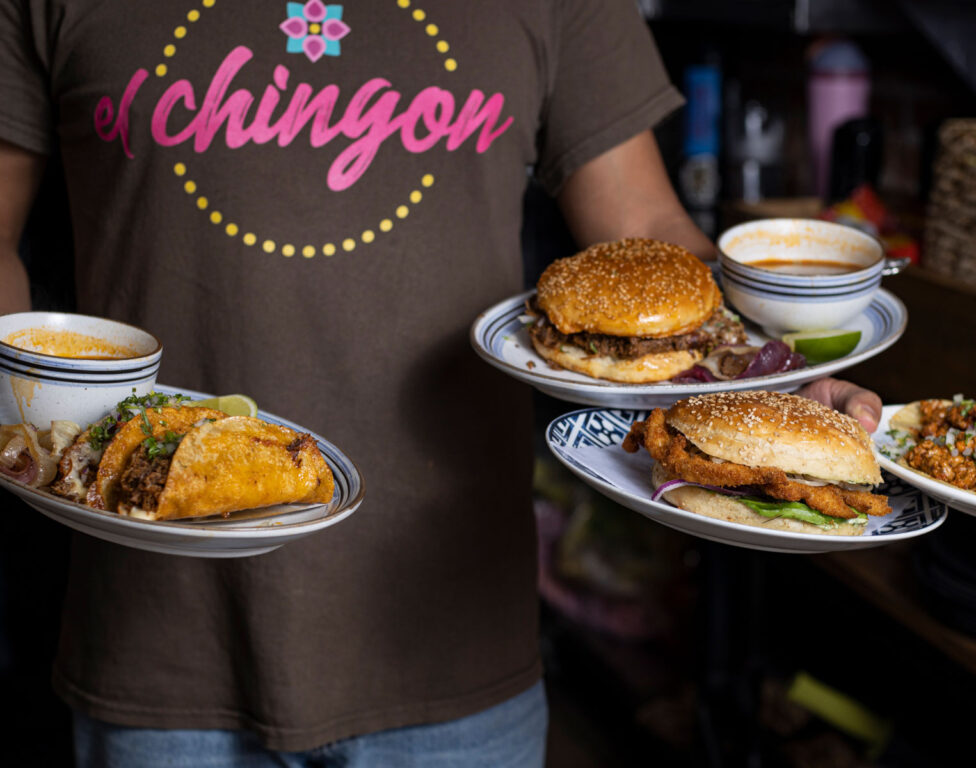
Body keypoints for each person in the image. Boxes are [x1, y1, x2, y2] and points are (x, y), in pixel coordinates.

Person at [0, 1, 882, 765]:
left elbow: (646, 232)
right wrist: (19, 417)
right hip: (155, 645)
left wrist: (782, 377)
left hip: (452, 647)